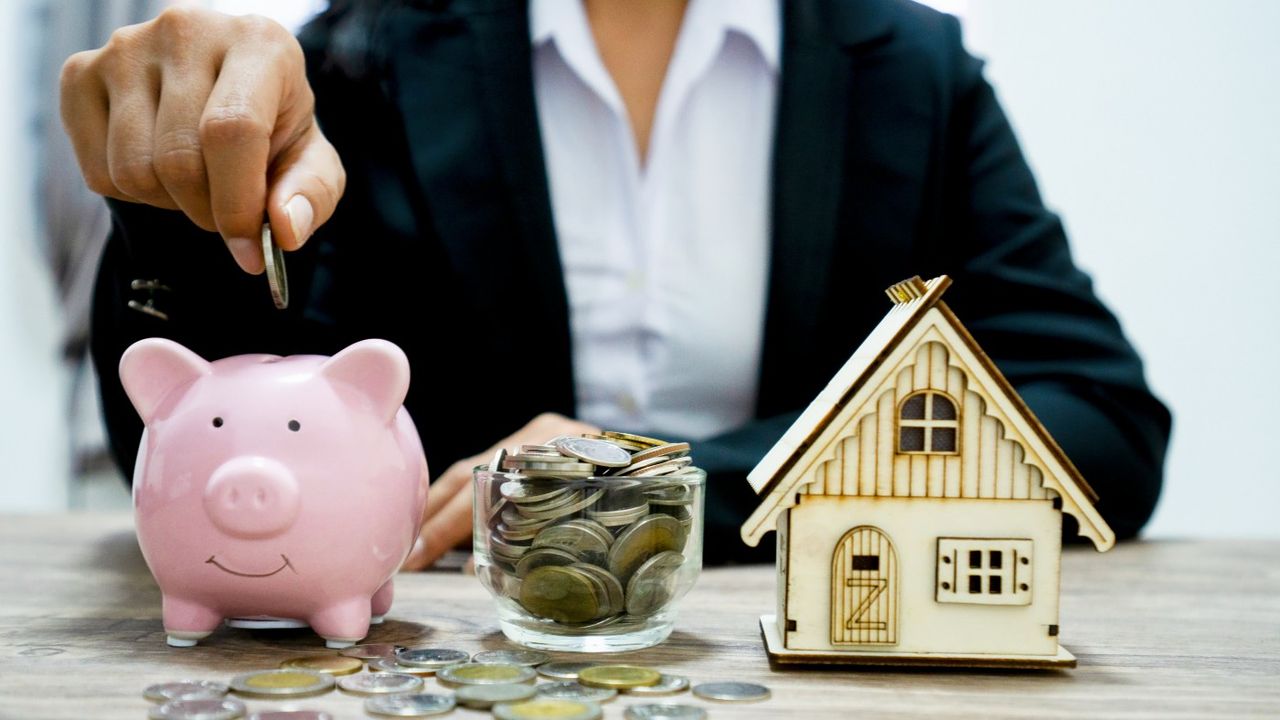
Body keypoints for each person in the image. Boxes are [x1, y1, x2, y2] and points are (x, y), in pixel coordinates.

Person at [60, 0, 1171, 568]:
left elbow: (1096, 421)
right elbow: (206, 434)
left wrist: (660, 485)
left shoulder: (910, 72)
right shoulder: (370, 48)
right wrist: (165, 212)